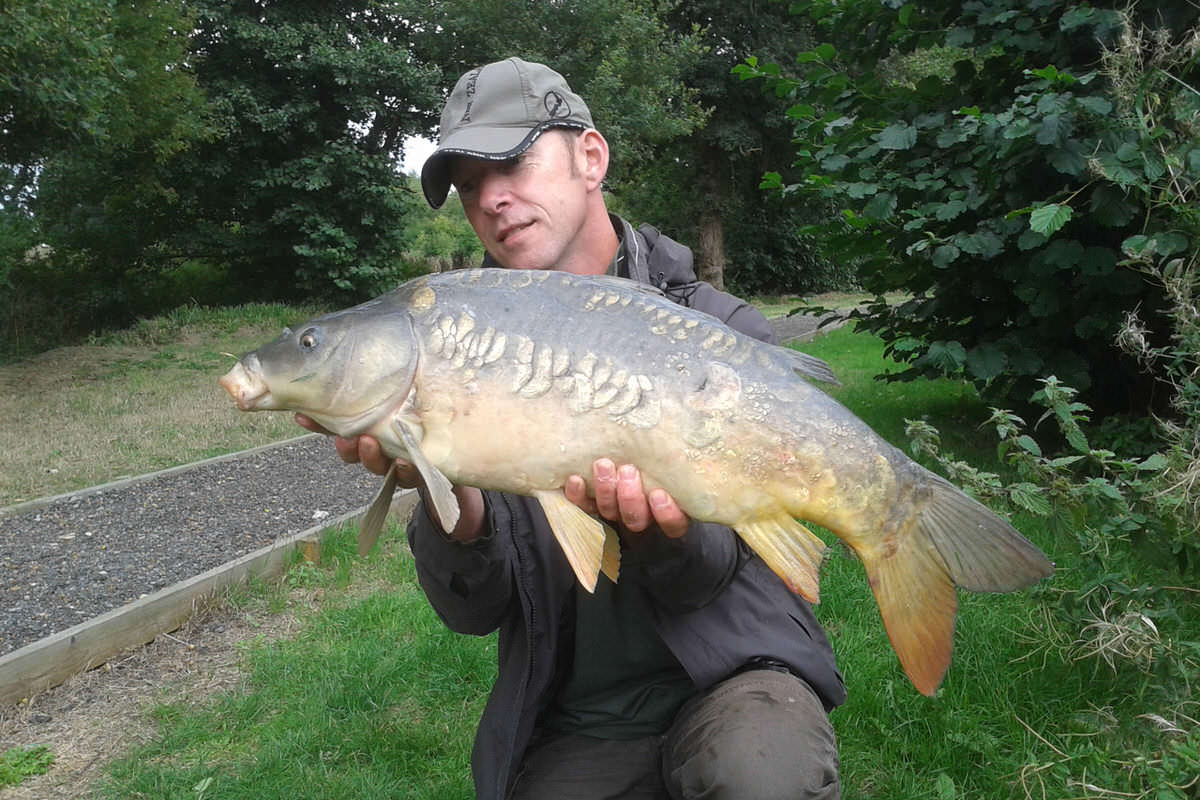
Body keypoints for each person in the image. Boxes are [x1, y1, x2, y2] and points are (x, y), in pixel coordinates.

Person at [298, 57, 845, 800]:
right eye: (467, 184)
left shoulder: (717, 331)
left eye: (513, 161)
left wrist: (662, 530)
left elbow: (711, 575)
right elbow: (471, 609)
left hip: (734, 673)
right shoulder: (463, 352)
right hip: (581, 714)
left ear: (591, 156)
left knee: (757, 774)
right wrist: (456, 508)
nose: (491, 199)